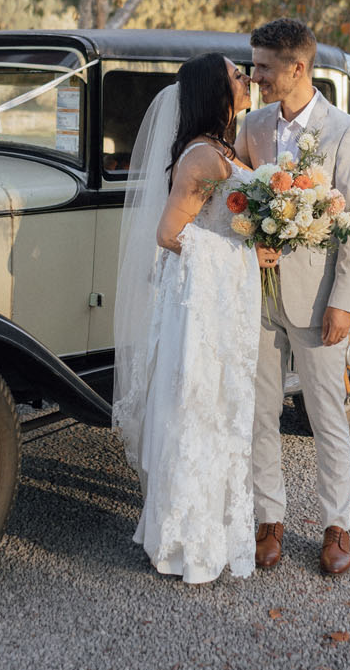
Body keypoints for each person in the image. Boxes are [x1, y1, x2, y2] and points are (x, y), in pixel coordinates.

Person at [113, 52, 277, 584]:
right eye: (237, 74)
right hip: (201, 305)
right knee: (199, 408)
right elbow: (169, 234)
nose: (247, 79)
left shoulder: (224, 150)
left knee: (219, 406)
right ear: (215, 90)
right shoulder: (202, 158)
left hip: (218, 302)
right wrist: (244, 255)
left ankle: (206, 528)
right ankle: (184, 539)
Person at [235, 18, 350, 576]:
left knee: (325, 417)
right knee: (257, 414)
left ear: (298, 68)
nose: (256, 76)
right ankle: (270, 519)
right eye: (254, 65)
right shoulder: (253, 126)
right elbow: (236, 201)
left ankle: (337, 525)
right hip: (259, 297)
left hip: (319, 303)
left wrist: (344, 302)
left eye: (265, 67)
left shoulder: (346, 132)